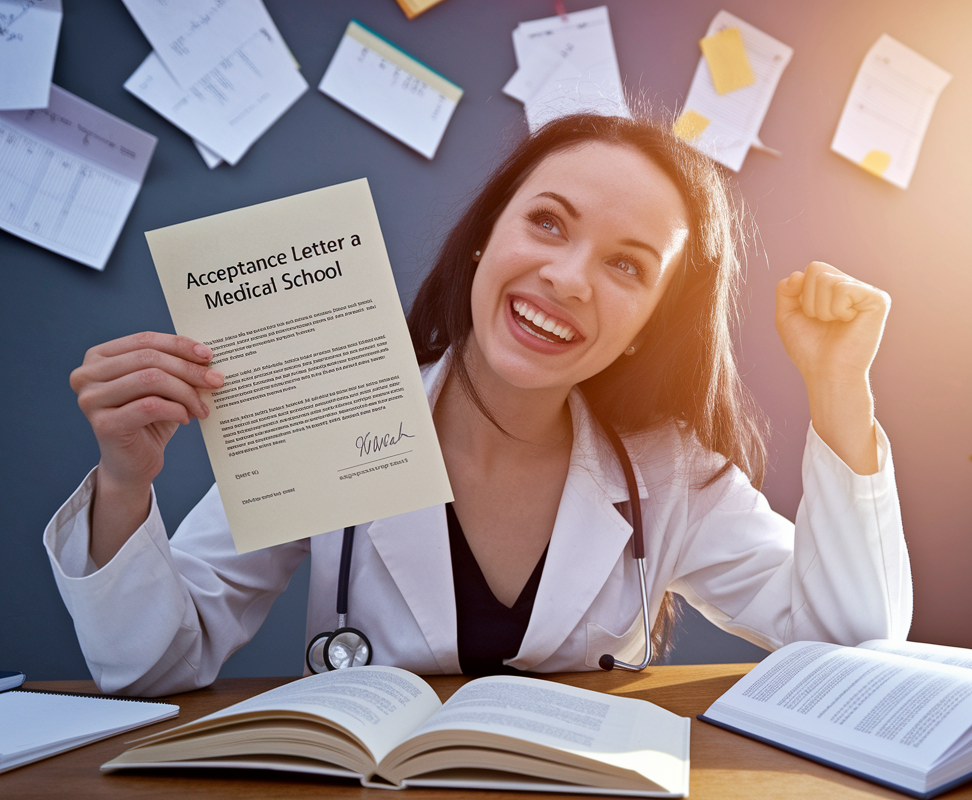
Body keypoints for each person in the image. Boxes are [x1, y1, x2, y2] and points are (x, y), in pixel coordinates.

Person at [44, 114, 911, 696]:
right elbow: (154, 665)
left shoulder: (669, 470)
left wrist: (838, 384)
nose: (566, 279)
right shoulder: (330, 409)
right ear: (486, 238)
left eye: (626, 265)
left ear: (651, 323)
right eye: (547, 224)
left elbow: (851, 642)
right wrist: (126, 482)